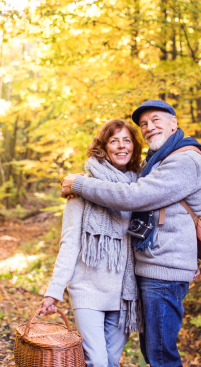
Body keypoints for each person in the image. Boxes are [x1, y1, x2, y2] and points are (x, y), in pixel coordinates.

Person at [61, 100, 201, 367]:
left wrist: (81, 184)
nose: (149, 127)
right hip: (153, 269)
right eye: (143, 124)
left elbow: (135, 197)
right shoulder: (157, 161)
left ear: (174, 122)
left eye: (156, 120)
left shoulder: (184, 160)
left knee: (160, 356)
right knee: (154, 353)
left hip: (164, 271)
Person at [39, 119, 144, 367]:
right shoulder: (82, 190)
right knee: (97, 361)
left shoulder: (140, 190)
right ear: (103, 147)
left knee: (110, 362)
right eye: (114, 140)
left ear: (134, 147)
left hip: (124, 293)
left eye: (126, 140)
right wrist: (54, 291)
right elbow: (70, 244)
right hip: (88, 291)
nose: (121, 146)